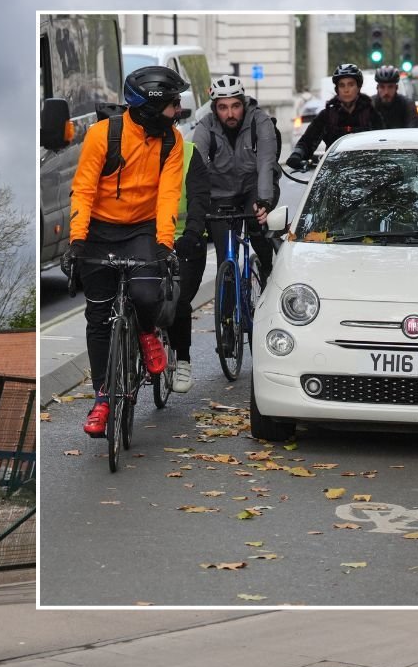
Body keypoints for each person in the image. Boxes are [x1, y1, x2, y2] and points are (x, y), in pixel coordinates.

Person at [60, 65, 187, 437]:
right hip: (98, 230)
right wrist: (77, 241)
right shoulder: (103, 135)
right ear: (150, 107)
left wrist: (165, 243)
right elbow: (82, 189)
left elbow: (168, 196)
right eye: (172, 103)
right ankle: (102, 399)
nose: (177, 110)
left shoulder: (172, 141)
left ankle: (147, 332)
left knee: (146, 293)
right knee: (98, 317)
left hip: (141, 229)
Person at [192, 75, 276, 284]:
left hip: (254, 187)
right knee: (225, 256)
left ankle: (267, 268)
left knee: (257, 227)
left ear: (244, 104)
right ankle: (227, 315)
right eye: (223, 107)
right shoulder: (205, 128)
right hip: (220, 193)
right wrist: (197, 206)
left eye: (235, 106)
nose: (230, 114)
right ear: (214, 108)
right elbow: (196, 169)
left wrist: (264, 201)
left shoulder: (260, 121)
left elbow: (266, 163)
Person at [166, 143, 212, 393]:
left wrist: (192, 233)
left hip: (186, 239)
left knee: (178, 299)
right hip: (149, 239)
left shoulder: (188, 152)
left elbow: (198, 198)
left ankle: (182, 360)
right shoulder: (136, 149)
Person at [285, 63, 384, 169]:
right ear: (337, 89)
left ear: (358, 87)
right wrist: (297, 155)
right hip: (334, 172)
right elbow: (307, 141)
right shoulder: (327, 115)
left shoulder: (371, 114)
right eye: (342, 85)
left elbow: (384, 143)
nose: (346, 90)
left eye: (351, 84)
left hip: (366, 171)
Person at [371, 65, 418, 129]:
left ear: (396, 88)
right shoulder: (370, 105)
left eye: (390, 87)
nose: (386, 92)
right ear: (377, 88)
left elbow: (413, 129)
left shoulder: (407, 104)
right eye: (382, 87)